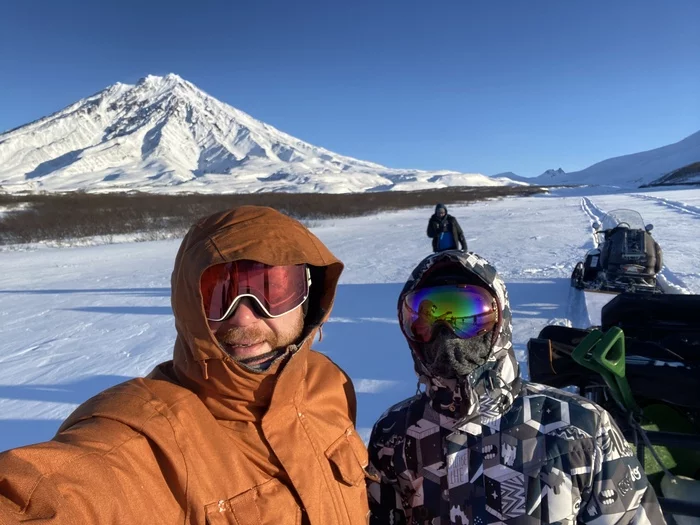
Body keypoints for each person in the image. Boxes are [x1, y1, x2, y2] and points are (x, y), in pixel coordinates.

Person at [0, 206, 369, 525]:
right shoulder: (142, 439)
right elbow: (56, 492)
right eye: (216, 296)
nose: (243, 319)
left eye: (272, 290)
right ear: (187, 306)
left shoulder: (328, 383)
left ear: (307, 295)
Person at [366, 250, 665, 524]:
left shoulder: (580, 428)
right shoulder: (394, 435)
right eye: (426, 318)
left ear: (500, 319)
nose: (446, 333)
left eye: (466, 315)